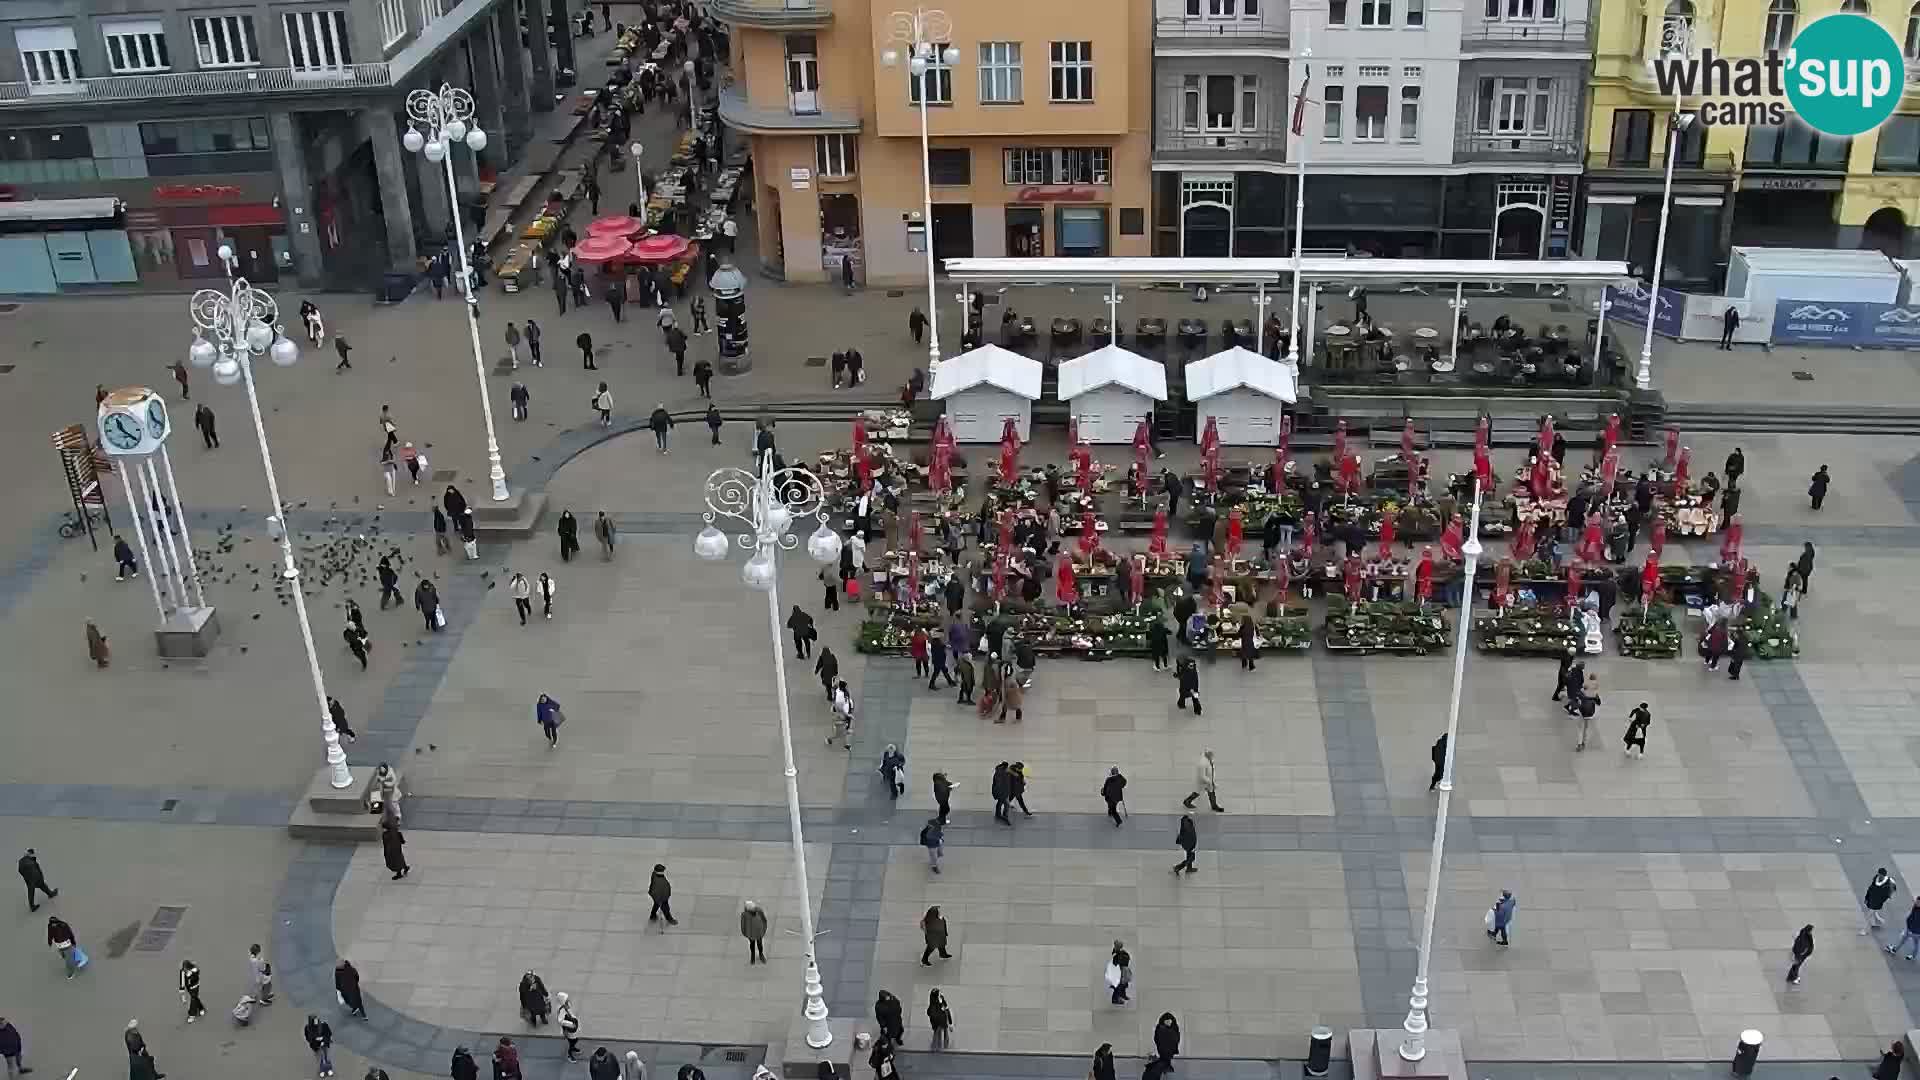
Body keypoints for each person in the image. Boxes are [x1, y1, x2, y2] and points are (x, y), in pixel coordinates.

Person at [1863, 867, 1897, 934]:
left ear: (1884, 875)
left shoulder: (1889, 881)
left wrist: (1888, 896)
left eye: (1881, 875)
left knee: (1869, 914)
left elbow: (1893, 889)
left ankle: (1865, 929)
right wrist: (1866, 897)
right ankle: (1876, 922)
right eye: (1879, 874)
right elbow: (1871, 888)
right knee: (1872, 911)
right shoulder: (1876, 878)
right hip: (1872, 897)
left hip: (1879, 900)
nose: (1879, 876)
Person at [556, 993, 581, 1062]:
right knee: (572, 1041)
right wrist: (570, 1024)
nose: (568, 1000)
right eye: (566, 999)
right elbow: (560, 1021)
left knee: (575, 1039)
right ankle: (569, 1054)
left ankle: (573, 1048)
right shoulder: (562, 1009)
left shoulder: (566, 1005)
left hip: (572, 1025)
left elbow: (570, 1012)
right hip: (569, 1028)